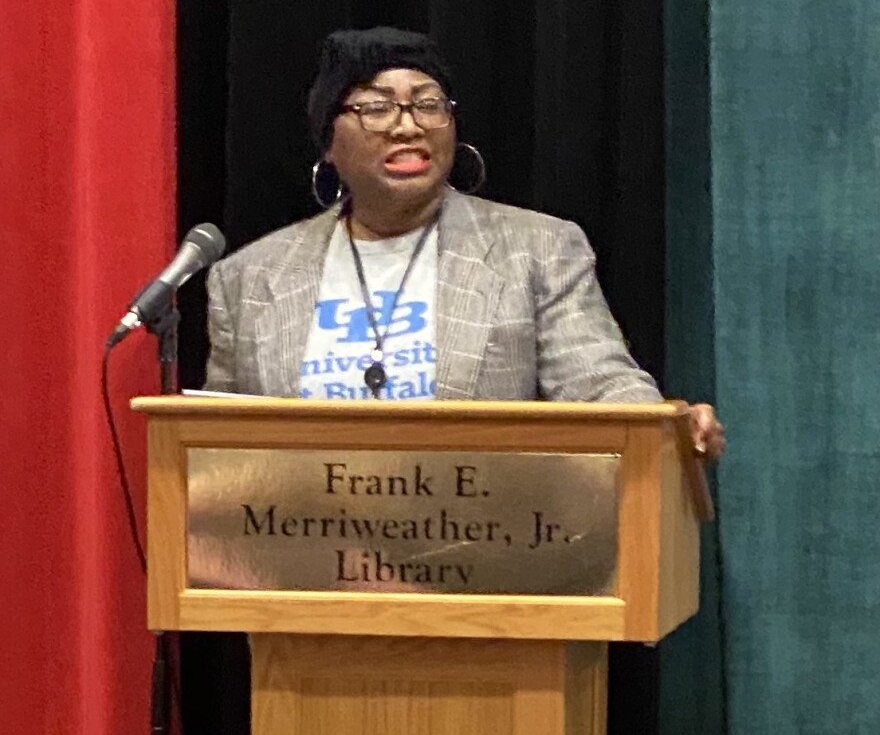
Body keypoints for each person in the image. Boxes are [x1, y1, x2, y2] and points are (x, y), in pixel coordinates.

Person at [205, 26, 725, 457]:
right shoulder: (249, 278)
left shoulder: (537, 251)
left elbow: (598, 382)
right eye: (377, 108)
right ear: (330, 142)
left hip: (477, 554)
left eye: (429, 104)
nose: (408, 126)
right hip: (302, 557)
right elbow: (217, 448)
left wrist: (664, 424)